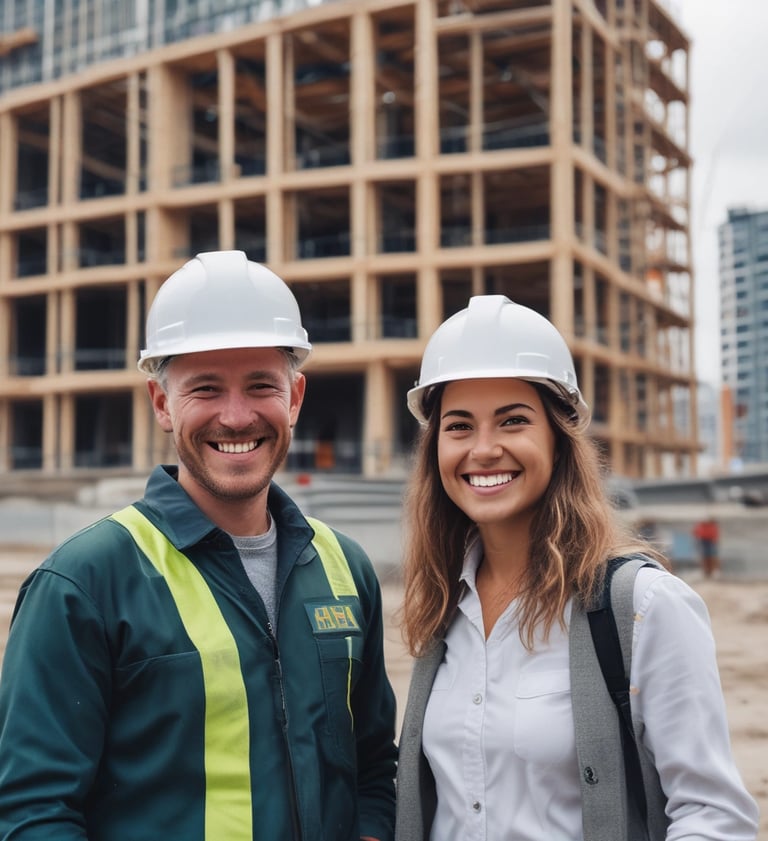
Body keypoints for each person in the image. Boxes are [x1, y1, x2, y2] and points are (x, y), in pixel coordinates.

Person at [0, 251, 397, 841]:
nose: (235, 417)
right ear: (162, 404)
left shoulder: (346, 570)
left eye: (261, 385)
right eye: (205, 389)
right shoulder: (84, 583)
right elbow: (34, 813)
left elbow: (371, 772)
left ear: (295, 397)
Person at [395, 295, 758, 840]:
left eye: (513, 421)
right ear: (435, 450)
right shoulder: (444, 605)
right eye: (460, 425)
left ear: (559, 441)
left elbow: (713, 816)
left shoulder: (643, 608)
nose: (484, 448)